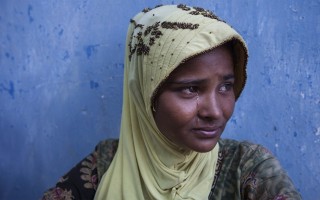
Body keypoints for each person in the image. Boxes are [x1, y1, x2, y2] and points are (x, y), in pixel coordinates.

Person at [42, 4, 301, 200]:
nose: (215, 111)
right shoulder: (104, 166)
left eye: (226, 86)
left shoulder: (248, 168)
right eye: (190, 89)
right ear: (147, 95)